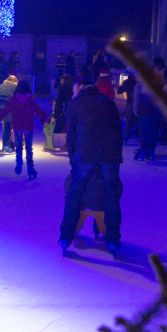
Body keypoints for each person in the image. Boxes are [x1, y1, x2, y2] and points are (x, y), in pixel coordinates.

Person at [59, 79, 124, 256]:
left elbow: (71, 136)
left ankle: (66, 235)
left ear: (80, 88)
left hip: (85, 153)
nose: (73, 94)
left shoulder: (75, 103)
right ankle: (112, 239)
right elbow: (118, 131)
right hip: (110, 154)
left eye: (74, 91)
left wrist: (74, 161)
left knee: (75, 193)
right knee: (111, 196)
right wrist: (116, 157)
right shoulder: (108, 102)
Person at [0, 80, 47, 178]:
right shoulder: (30, 99)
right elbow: (38, 110)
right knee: (29, 148)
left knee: (19, 147)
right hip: (28, 127)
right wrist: (43, 116)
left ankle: (19, 163)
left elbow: (4, 111)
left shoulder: (13, 99)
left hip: (17, 127)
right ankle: (30, 168)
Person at [133, 78, 161, 160]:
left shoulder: (139, 85)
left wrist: (136, 111)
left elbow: (137, 100)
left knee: (145, 132)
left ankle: (143, 151)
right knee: (152, 131)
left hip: (144, 111)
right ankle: (151, 151)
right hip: (156, 111)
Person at [117, 73, 138, 145]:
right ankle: (139, 136)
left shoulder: (127, 84)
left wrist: (122, 85)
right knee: (137, 120)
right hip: (138, 104)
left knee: (128, 121)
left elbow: (119, 92)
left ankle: (126, 136)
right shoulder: (138, 84)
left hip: (130, 104)